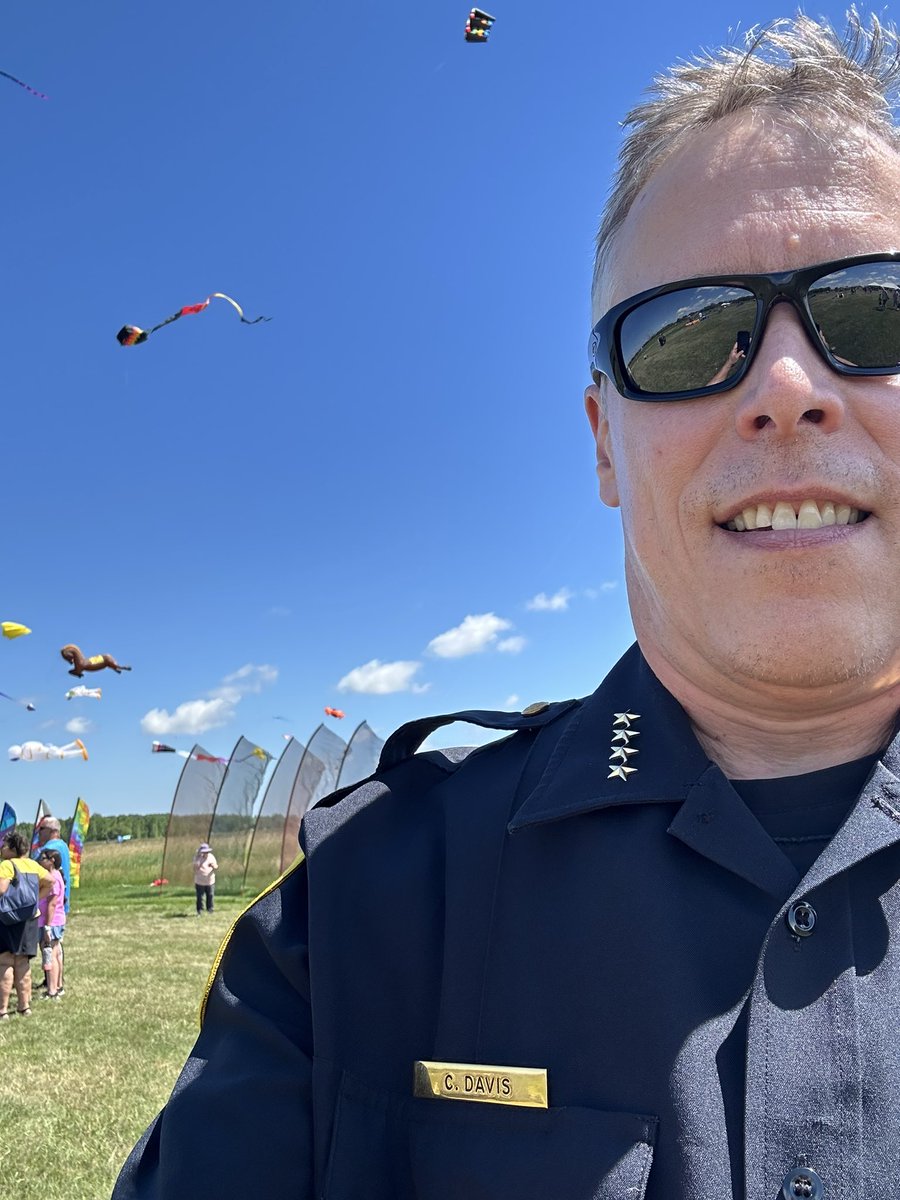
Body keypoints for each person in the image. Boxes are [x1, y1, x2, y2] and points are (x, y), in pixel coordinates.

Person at [113, 13, 900, 1199]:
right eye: (689, 335)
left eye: (875, 311)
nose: (787, 391)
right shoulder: (361, 915)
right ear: (601, 445)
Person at [0, 831, 53, 1018]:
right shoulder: (33, 864)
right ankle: (25, 1006)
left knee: (5, 962)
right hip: (29, 918)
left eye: (4, 845)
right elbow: (50, 881)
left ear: (13, 848)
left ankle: (3, 1010)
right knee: (23, 962)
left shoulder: (6, 865)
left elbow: (1, 889)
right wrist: (34, 900)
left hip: (7, 919)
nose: (1, 848)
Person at [34, 815, 72, 995]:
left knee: (48, 948)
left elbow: (34, 870)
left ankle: (51, 985)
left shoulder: (49, 848)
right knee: (57, 947)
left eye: (41, 829)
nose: (38, 833)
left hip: (49, 909)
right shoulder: (64, 846)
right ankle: (57, 982)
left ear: (52, 831)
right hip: (60, 906)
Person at [37, 848, 66, 1000]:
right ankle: (58, 986)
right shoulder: (56, 875)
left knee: (50, 954)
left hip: (51, 922)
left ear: (51, 861)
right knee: (56, 953)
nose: (39, 860)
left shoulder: (52, 877)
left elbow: (52, 904)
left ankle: (52, 990)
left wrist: (47, 926)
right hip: (56, 921)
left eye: (42, 858)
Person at [192, 843, 217, 915]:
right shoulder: (197, 858)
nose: (205, 853)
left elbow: (216, 866)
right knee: (200, 896)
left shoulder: (211, 857)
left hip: (210, 881)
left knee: (210, 895)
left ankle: (210, 909)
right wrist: (198, 864)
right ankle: (199, 910)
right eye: (204, 852)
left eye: (206, 852)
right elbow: (195, 868)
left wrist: (213, 866)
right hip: (200, 881)